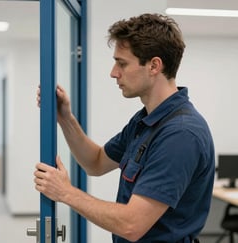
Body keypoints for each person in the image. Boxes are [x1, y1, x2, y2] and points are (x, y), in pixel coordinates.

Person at [33, 13, 215, 242]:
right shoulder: (145, 122)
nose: (113, 72)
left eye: (122, 63)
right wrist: (65, 118)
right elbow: (96, 162)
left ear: (154, 66)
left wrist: (66, 192)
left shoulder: (180, 134)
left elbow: (132, 224)